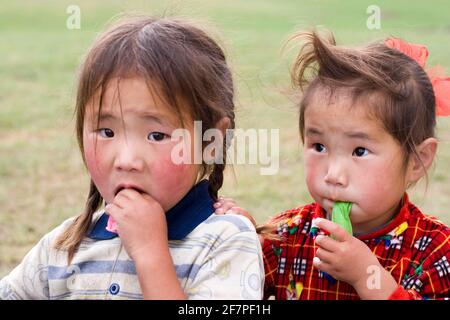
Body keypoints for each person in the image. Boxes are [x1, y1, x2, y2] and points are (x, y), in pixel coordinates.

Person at [0, 16, 264, 300]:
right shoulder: (66, 245)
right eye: (106, 131)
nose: (125, 160)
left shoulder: (226, 242)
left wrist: (151, 255)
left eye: (157, 136)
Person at [215, 30, 450, 299]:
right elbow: (234, 288)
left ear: (417, 162)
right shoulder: (288, 236)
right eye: (319, 147)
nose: (334, 174)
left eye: (360, 151)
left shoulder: (434, 251)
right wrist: (242, 237)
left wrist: (367, 276)